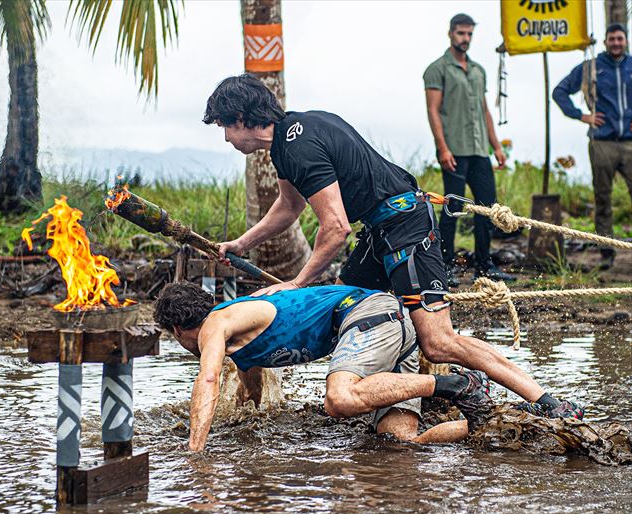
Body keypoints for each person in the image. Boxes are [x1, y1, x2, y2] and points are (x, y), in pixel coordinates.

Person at [203, 73, 583, 419]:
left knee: (438, 341)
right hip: (379, 229)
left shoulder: (297, 145)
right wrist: (240, 243)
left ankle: (545, 399)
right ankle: (402, 400)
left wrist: (297, 283)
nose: (225, 138)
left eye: (224, 127)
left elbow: (335, 228)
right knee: (351, 310)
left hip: (406, 227)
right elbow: (289, 206)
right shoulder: (290, 140)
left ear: (240, 118)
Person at [154, 282, 492, 452]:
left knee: (339, 400)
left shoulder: (216, 322)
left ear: (178, 330)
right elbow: (251, 393)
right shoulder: (235, 339)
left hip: (369, 314)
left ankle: (454, 386)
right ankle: (492, 420)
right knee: (400, 443)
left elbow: (209, 378)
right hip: (389, 329)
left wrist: (194, 454)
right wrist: (248, 419)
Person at [423, 13, 515, 287]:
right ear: (451, 33)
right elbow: (433, 110)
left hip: (478, 150)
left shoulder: (478, 70)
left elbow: (485, 110)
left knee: (488, 207)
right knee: (454, 207)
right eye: (461, 33)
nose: (465, 39)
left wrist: (496, 146)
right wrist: (442, 148)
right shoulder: (437, 69)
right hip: (454, 149)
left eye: (469, 34)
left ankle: (484, 267)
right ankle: (445, 266)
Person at [552, 23, 632, 271]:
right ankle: (606, 252)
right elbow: (560, 91)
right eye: (612, 39)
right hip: (602, 142)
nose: (616, 43)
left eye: (620, 39)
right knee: (603, 199)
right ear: (605, 42)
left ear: (626, 40)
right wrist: (581, 115)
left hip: (629, 143)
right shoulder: (592, 67)